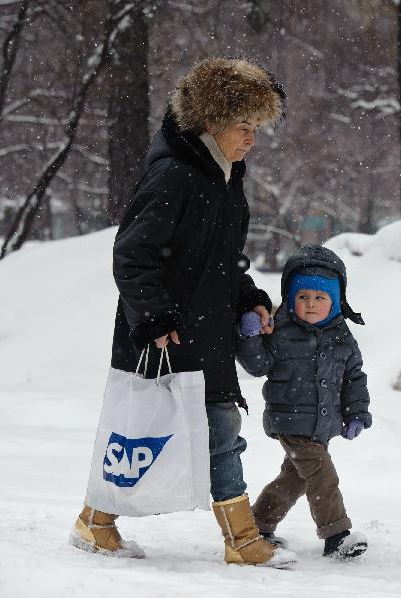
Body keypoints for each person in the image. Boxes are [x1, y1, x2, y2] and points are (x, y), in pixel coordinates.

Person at [71, 57, 296, 568]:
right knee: (189, 431)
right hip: (167, 334)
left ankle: (96, 520)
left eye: (257, 129)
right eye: (245, 128)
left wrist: (250, 297)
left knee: (181, 431)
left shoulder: (225, 177)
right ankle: (240, 541)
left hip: (203, 331)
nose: (252, 141)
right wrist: (152, 319)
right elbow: (132, 255)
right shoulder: (174, 175)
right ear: (212, 123)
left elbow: (220, 262)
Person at [235, 244, 372, 560]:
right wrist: (249, 337)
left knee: (292, 479)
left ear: (335, 301)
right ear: (291, 299)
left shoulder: (342, 336)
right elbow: (258, 366)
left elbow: (354, 377)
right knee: (323, 474)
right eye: (303, 297)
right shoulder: (280, 330)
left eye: (320, 298)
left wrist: (356, 413)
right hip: (291, 421)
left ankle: (258, 525)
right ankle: (336, 535)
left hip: (323, 425)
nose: (311, 304)